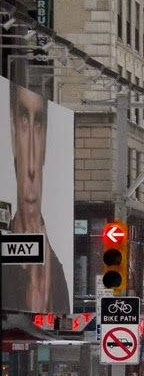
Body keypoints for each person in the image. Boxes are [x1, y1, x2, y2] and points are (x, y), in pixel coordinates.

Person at [3, 80, 70, 315]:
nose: (31, 160)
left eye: (38, 123)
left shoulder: (58, 274)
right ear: (12, 130)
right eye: (23, 121)